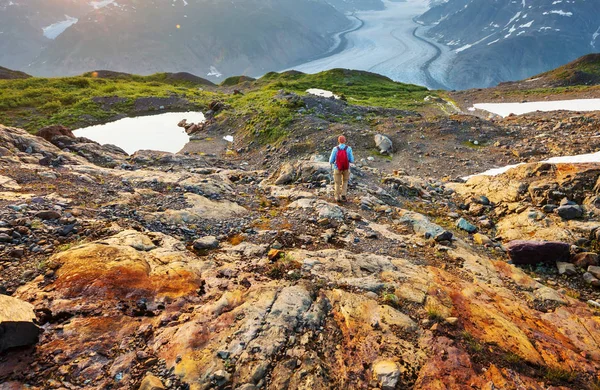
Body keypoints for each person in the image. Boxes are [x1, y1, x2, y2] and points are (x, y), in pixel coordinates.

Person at [329, 135, 354, 202]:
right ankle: (343, 195)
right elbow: (352, 160)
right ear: (345, 140)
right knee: (345, 181)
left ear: (338, 141)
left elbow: (331, 160)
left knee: (337, 183)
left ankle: (337, 197)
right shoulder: (349, 148)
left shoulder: (335, 149)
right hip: (346, 168)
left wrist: (332, 162)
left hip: (337, 168)